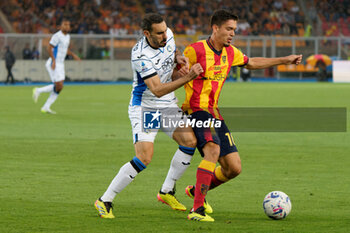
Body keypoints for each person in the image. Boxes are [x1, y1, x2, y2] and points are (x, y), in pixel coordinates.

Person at [176, 9, 302, 222]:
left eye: (234, 29)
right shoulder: (195, 49)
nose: (233, 33)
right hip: (195, 110)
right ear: (215, 28)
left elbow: (251, 62)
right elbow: (174, 67)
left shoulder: (230, 52)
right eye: (229, 29)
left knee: (233, 168)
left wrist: (285, 60)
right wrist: (181, 66)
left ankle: (196, 190)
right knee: (213, 150)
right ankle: (196, 210)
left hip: (214, 112)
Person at [94, 13, 204, 219]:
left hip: (168, 105)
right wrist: (189, 76)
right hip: (146, 108)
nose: (165, 35)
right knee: (144, 157)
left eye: (165, 30)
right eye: (159, 33)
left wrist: (178, 57)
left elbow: (171, 50)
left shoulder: (168, 34)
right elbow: (157, 90)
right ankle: (105, 200)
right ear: (147, 34)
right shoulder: (140, 55)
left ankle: (167, 191)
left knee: (190, 142)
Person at [32, 18, 80, 114]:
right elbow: (49, 47)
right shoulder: (57, 36)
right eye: (64, 24)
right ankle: (38, 91)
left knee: (59, 87)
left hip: (61, 64)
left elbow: (64, 49)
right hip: (54, 63)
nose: (66, 26)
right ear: (60, 26)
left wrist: (73, 54)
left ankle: (46, 107)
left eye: (68, 25)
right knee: (58, 85)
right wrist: (53, 60)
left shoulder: (68, 37)